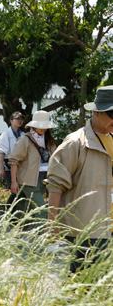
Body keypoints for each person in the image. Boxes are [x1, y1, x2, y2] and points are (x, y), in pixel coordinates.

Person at [46, 86, 113, 273]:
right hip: (85, 230)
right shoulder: (76, 142)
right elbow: (55, 184)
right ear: (97, 112)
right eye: (112, 114)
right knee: (82, 286)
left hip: (109, 227)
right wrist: (52, 226)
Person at [9, 110, 57, 227]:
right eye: (40, 126)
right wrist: (14, 182)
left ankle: (23, 238)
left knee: (29, 211)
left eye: (45, 126)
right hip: (29, 181)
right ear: (33, 125)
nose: (43, 128)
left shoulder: (49, 140)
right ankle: (39, 241)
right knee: (42, 211)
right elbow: (14, 161)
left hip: (44, 180)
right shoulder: (25, 139)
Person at [0, 111, 26, 210]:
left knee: (20, 190)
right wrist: (1, 168)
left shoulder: (22, 134)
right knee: (15, 190)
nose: (20, 121)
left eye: (21, 119)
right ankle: (8, 212)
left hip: (20, 165)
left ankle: (12, 212)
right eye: (17, 119)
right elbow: (1, 152)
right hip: (8, 164)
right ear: (11, 121)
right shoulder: (6, 134)